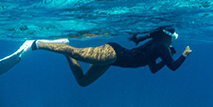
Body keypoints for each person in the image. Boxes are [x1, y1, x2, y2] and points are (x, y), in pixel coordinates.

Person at [21, 25, 192, 86]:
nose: (173, 43)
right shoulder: (160, 46)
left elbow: (153, 69)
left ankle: (64, 47)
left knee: (83, 81)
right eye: (173, 39)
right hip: (113, 53)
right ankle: (35, 44)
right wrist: (184, 55)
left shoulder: (159, 48)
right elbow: (173, 67)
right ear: (167, 37)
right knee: (77, 53)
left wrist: (166, 57)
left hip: (112, 59)